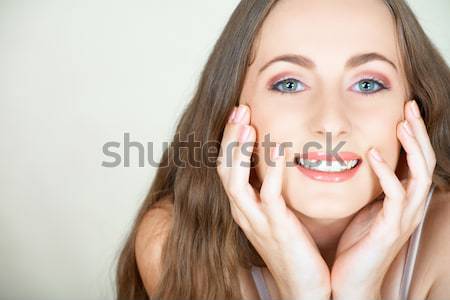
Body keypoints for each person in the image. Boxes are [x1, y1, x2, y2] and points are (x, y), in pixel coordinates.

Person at [115, 0, 450, 299]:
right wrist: (302, 290)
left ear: (416, 105)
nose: (331, 122)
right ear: (234, 106)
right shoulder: (176, 243)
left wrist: (359, 291)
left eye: (368, 84)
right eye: (289, 84)